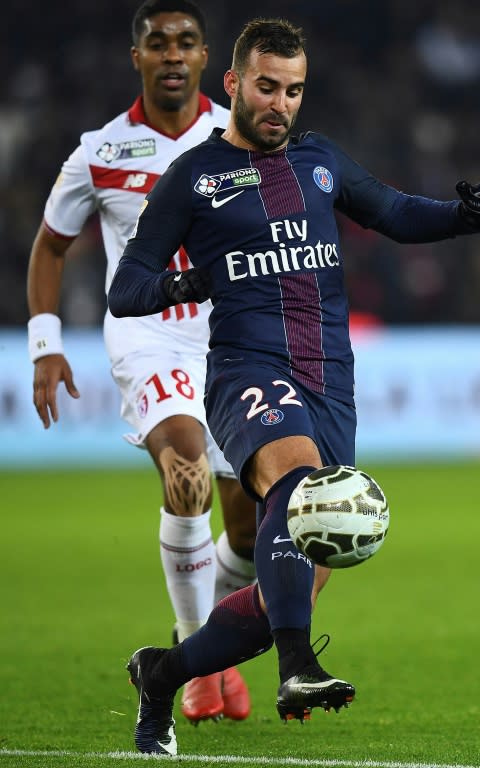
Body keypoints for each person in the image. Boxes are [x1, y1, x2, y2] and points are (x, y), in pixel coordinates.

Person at [107, 17, 480, 755]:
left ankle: (163, 673)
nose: (279, 103)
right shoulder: (195, 176)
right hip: (246, 372)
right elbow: (126, 285)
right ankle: (298, 667)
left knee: (286, 587)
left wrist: (468, 215)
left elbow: (394, 214)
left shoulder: (320, 162)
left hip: (330, 383)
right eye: (266, 87)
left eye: (293, 91)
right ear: (233, 84)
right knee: (300, 489)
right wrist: (184, 281)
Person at [26, 0, 259, 726]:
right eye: (157, 42)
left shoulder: (241, 136)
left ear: (203, 58)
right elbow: (51, 245)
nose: (171, 54)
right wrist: (45, 343)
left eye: (185, 42)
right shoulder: (99, 150)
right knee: (185, 471)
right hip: (148, 333)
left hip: (231, 339)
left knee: (249, 529)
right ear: (138, 58)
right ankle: (191, 657)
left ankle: (210, 643)